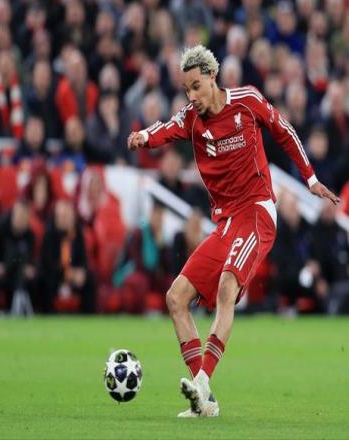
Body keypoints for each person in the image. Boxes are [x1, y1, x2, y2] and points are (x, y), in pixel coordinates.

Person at [127, 45, 339, 418]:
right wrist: (144, 135)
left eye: (196, 86)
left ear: (212, 77)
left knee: (228, 287)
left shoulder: (247, 100)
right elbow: (167, 128)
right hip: (225, 223)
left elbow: (284, 130)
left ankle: (202, 381)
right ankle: (204, 399)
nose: (192, 97)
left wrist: (310, 179)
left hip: (257, 211)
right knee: (176, 298)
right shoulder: (191, 118)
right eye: (186, 90)